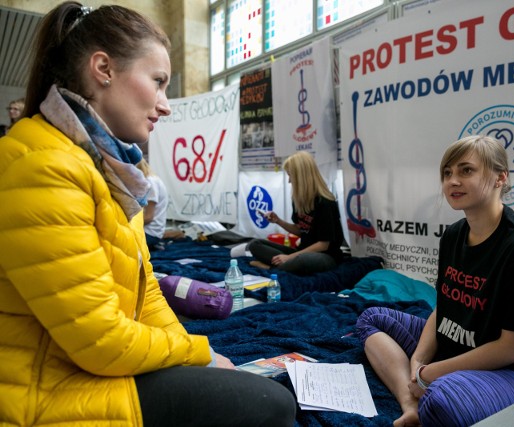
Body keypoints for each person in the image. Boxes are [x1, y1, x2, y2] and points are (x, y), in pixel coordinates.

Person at [0, 3, 296, 427]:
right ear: (103, 68)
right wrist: (198, 353)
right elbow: (100, 340)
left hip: (84, 372)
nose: (165, 105)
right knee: (270, 406)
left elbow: (148, 294)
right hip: (47, 395)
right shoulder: (42, 167)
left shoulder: (105, 169)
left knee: (255, 392)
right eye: (158, 83)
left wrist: (193, 351)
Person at [356, 135, 514, 427]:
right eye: (447, 173)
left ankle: (426, 396)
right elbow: (443, 307)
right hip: (456, 347)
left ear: (500, 178)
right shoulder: (454, 234)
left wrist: (430, 374)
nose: (452, 181)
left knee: (443, 401)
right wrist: (418, 362)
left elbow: (513, 348)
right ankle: (409, 405)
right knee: (371, 318)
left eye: (466, 171)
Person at [247, 150, 345, 275]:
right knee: (255, 244)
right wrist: (278, 221)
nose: (289, 181)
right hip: (302, 251)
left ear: (301, 176)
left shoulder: (325, 202)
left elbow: (323, 245)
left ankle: (270, 269)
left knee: (302, 260)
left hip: (325, 256)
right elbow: (301, 231)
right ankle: (284, 266)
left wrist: (290, 257)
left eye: (290, 175)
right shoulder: (298, 199)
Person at [136, 158, 170, 250]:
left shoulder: (149, 182)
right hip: (154, 233)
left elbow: (148, 217)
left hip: (150, 233)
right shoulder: (153, 179)